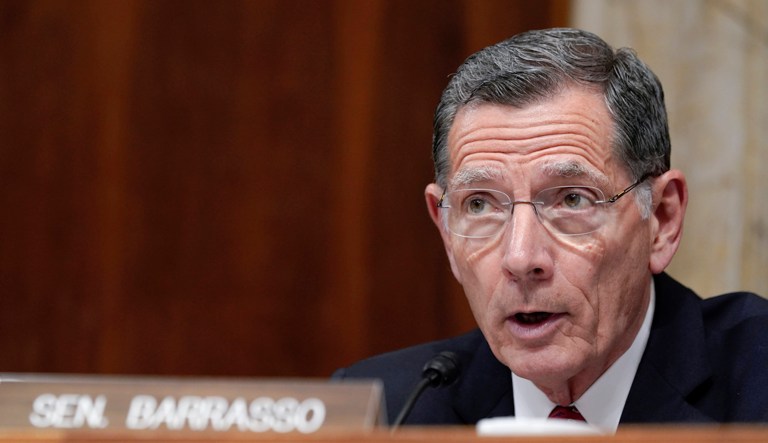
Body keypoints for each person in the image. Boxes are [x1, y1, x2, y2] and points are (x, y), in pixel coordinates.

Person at [333, 28, 768, 431]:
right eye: (480, 204)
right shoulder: (385, 411)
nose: (521, 259)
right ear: (446, 230)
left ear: (662, 219)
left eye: (571, 199)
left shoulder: (756, 379)